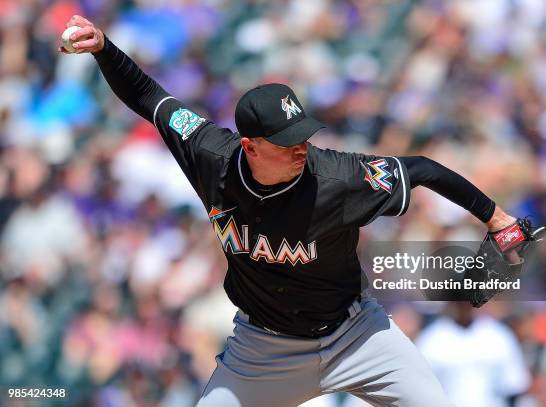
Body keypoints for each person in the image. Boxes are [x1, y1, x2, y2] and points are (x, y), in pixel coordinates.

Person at [60, 14, 522, 407]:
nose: (301, 147)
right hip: (262, 351)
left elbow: (421, 168)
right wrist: (104, 48)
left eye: (302, 135)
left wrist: (496, 218)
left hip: (357, 335)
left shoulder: (339, 178)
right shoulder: (209, 154)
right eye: (286, 142)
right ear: (251, 146)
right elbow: (150, 98)